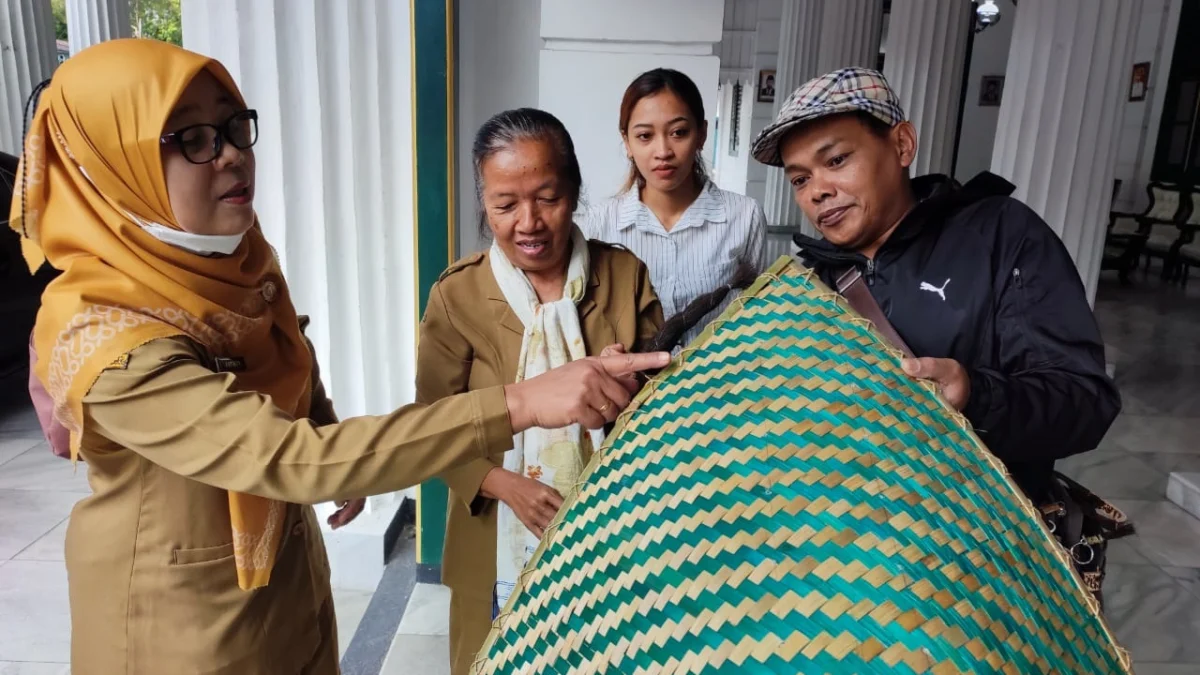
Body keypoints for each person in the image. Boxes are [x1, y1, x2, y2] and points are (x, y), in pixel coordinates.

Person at [10, 40, 667, 675]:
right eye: (192, 138)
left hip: (287, 592)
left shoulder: (237, 268)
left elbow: (289, 364)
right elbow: (289, 457)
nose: (233, 155)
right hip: (184, 629)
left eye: (234, 127)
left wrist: (326, 422)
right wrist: (523, 401)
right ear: (111, 169)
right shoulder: (103, 335)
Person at [749, 67, 1120, 503]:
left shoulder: (999, 236)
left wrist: (976, 396)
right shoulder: (806, 282)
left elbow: (1084, 402)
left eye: (836, 161)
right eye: (800, 179)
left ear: (902, 144)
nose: (818, 192)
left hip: (977, 536)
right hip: (851, 546)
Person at [418, 108, 664, 675]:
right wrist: (503, 484)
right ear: (485, 203)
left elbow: (660, 405)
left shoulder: (624, 279)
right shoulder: (459, 296)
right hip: (494, 541)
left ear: (574, 191)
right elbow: (429, 420)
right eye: (505, 205)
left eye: (546, 198)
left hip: (609, 535)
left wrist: (629, 385)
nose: (528, 222)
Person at [581, 68, 768, 348]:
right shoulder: (600, 223)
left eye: (679, 132)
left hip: (720, 386)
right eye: (645, 136)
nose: (663, 151)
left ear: (702, 134)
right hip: (632, 388)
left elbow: (757, 318)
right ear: (627, 142)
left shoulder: (744, 216)